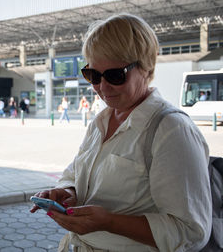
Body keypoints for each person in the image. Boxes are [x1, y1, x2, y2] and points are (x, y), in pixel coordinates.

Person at [30, 13, 211, 251]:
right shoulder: (101, 122)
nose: (103, 87)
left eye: (115, 75)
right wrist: (66, 192)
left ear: (146, 67)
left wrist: (110, 222)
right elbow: (75, 173)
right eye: (93, 75)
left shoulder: (171, 130)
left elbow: (191, 232)